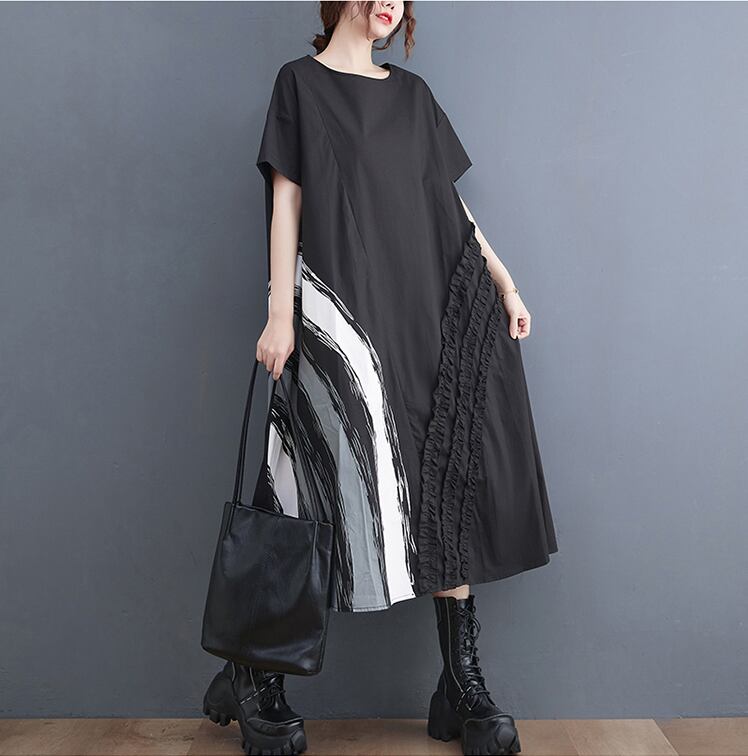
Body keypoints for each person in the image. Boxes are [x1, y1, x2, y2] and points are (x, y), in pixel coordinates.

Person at [202, 2, 558, 754]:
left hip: (425, 309)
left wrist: (504, 282)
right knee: (302, 477)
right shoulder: (299, 85)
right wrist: (279, 312)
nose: (393, 1)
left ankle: (459, 686)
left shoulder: (415, 96)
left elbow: (449, 206)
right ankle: (255, 671)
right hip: (342, 313)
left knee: (443, 473)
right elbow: (287, 201)